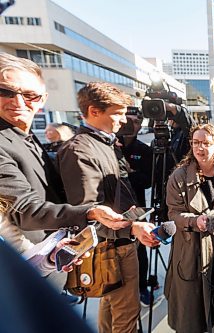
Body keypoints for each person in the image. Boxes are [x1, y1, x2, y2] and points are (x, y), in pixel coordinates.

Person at [0, 53, 128, 265]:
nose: (19, 102)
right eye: (6, 92)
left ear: (43, 98)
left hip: (50, 259)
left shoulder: (23, 135)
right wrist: (89, 212)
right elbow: (25, 209)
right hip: (26, 268)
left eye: (29, 95)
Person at [57, 82, 159, 333]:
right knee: (125, 319)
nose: (124, 120)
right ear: (94, 111)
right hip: (111, 249)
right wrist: (132, 229)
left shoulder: (105, 143)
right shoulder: (79, 149)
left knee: (111, 313)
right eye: (118, 113)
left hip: (119, 245)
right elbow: (88, 213)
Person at [165, 123, 214, 332]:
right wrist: (194, 221)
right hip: (191, 251)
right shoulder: (178, 177)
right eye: (196, 143)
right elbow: (173, 213)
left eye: (206, 143)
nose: (200, 148)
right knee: (192, 307)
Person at [117, 108, 156, 307]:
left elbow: (147, 181)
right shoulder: (112, 145)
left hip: (136, 207)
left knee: (140, 250)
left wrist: (128, 173)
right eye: (128, 120)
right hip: (113, 208)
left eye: (136, 121)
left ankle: (142, 287)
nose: (131, 125)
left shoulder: (144, 150)